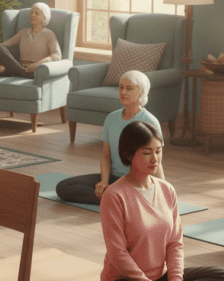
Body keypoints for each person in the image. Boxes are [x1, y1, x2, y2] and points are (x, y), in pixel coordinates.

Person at [100, 121, 224, 281]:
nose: (155, 159)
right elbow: (118, 254)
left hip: (161, 279)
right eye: (147, 152)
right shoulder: (114, 195)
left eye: (159, 151)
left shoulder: (167, 190)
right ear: (129, 154)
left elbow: (175, 244)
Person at [56, 70, 164, 204]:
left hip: (135, 181)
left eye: (129, 88)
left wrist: (162, 189)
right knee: (63, 187)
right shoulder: (111, 118)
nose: (123, 92)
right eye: (121, 87)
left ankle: (118, 198)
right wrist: (104, 181)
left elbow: (156, 160)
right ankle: (117, 199)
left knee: (141, 193)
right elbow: (106, 155)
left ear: (142, 92)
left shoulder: (150, 122)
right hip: (113, 178)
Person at [0, 2, 61, 78]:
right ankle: (21, 71)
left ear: (44, 17)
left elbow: (57, 55)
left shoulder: (49, 34)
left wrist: (37, 64)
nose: (32, 15)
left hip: (36, 69)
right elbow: (6, 44)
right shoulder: (23, 32)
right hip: (19, 65)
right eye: (31, 13)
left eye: (36, 13)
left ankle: (9, 71)